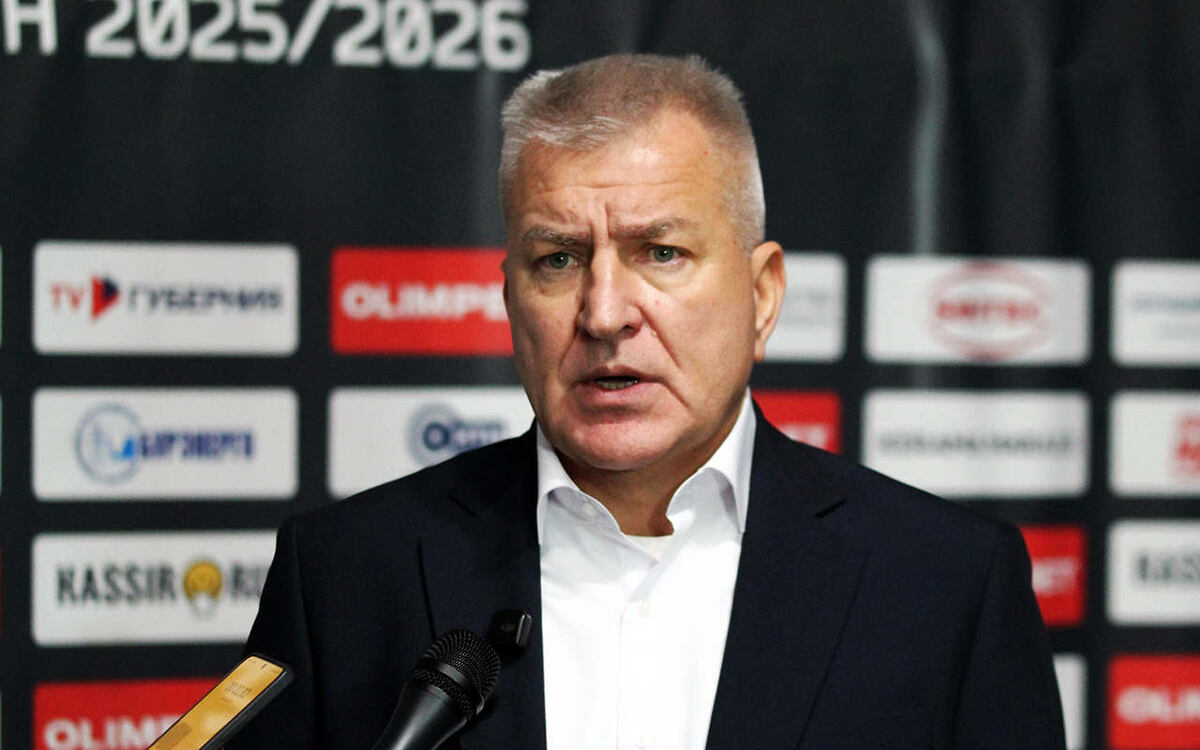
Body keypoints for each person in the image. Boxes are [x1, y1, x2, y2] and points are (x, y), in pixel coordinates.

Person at [231, 54, 1065, 749]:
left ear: (762, 295)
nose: (603, 314)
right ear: (510, 296)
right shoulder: (341, 574)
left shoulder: (947, 583)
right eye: (558, 259)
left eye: (660, 252)